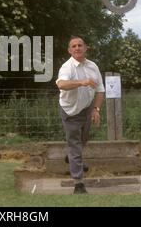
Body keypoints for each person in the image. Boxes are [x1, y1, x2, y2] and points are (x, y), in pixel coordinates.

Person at [56, 36, 104, 194]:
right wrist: (81, 82)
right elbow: (61, 84)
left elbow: (100, 90)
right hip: (70, 111)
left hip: (87, 108)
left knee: (83, 140)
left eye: (80, 45)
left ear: (85, 48)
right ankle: (78, 183)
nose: (77, 48)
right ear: (70, 50)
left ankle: (71, 158)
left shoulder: (93, 66)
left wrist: (96, 109)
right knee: (75, 144)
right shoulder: (67, 67)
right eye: (74, 46)